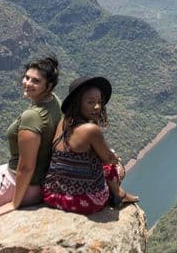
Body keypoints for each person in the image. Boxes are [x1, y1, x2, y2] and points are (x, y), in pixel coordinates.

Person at [0, 56, 63, 222]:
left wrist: (14, 204)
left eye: (36, 81)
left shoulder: (32, 117)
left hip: (27, 187)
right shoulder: (54, 100)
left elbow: (25, 167)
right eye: (27, 77)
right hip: (40, 177)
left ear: (49, 86)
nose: (28, 83)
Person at [42, 76, 139, 214]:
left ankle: (120, 194)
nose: (97, 107)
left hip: (53, 195)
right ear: (78, 103)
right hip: (83, 202)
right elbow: (108, 159)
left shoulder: (64, 121)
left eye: (100, 102)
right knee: (115, 167)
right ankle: (120, 195)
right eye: (90, 102)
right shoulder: (91, 130)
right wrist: (114, 158)